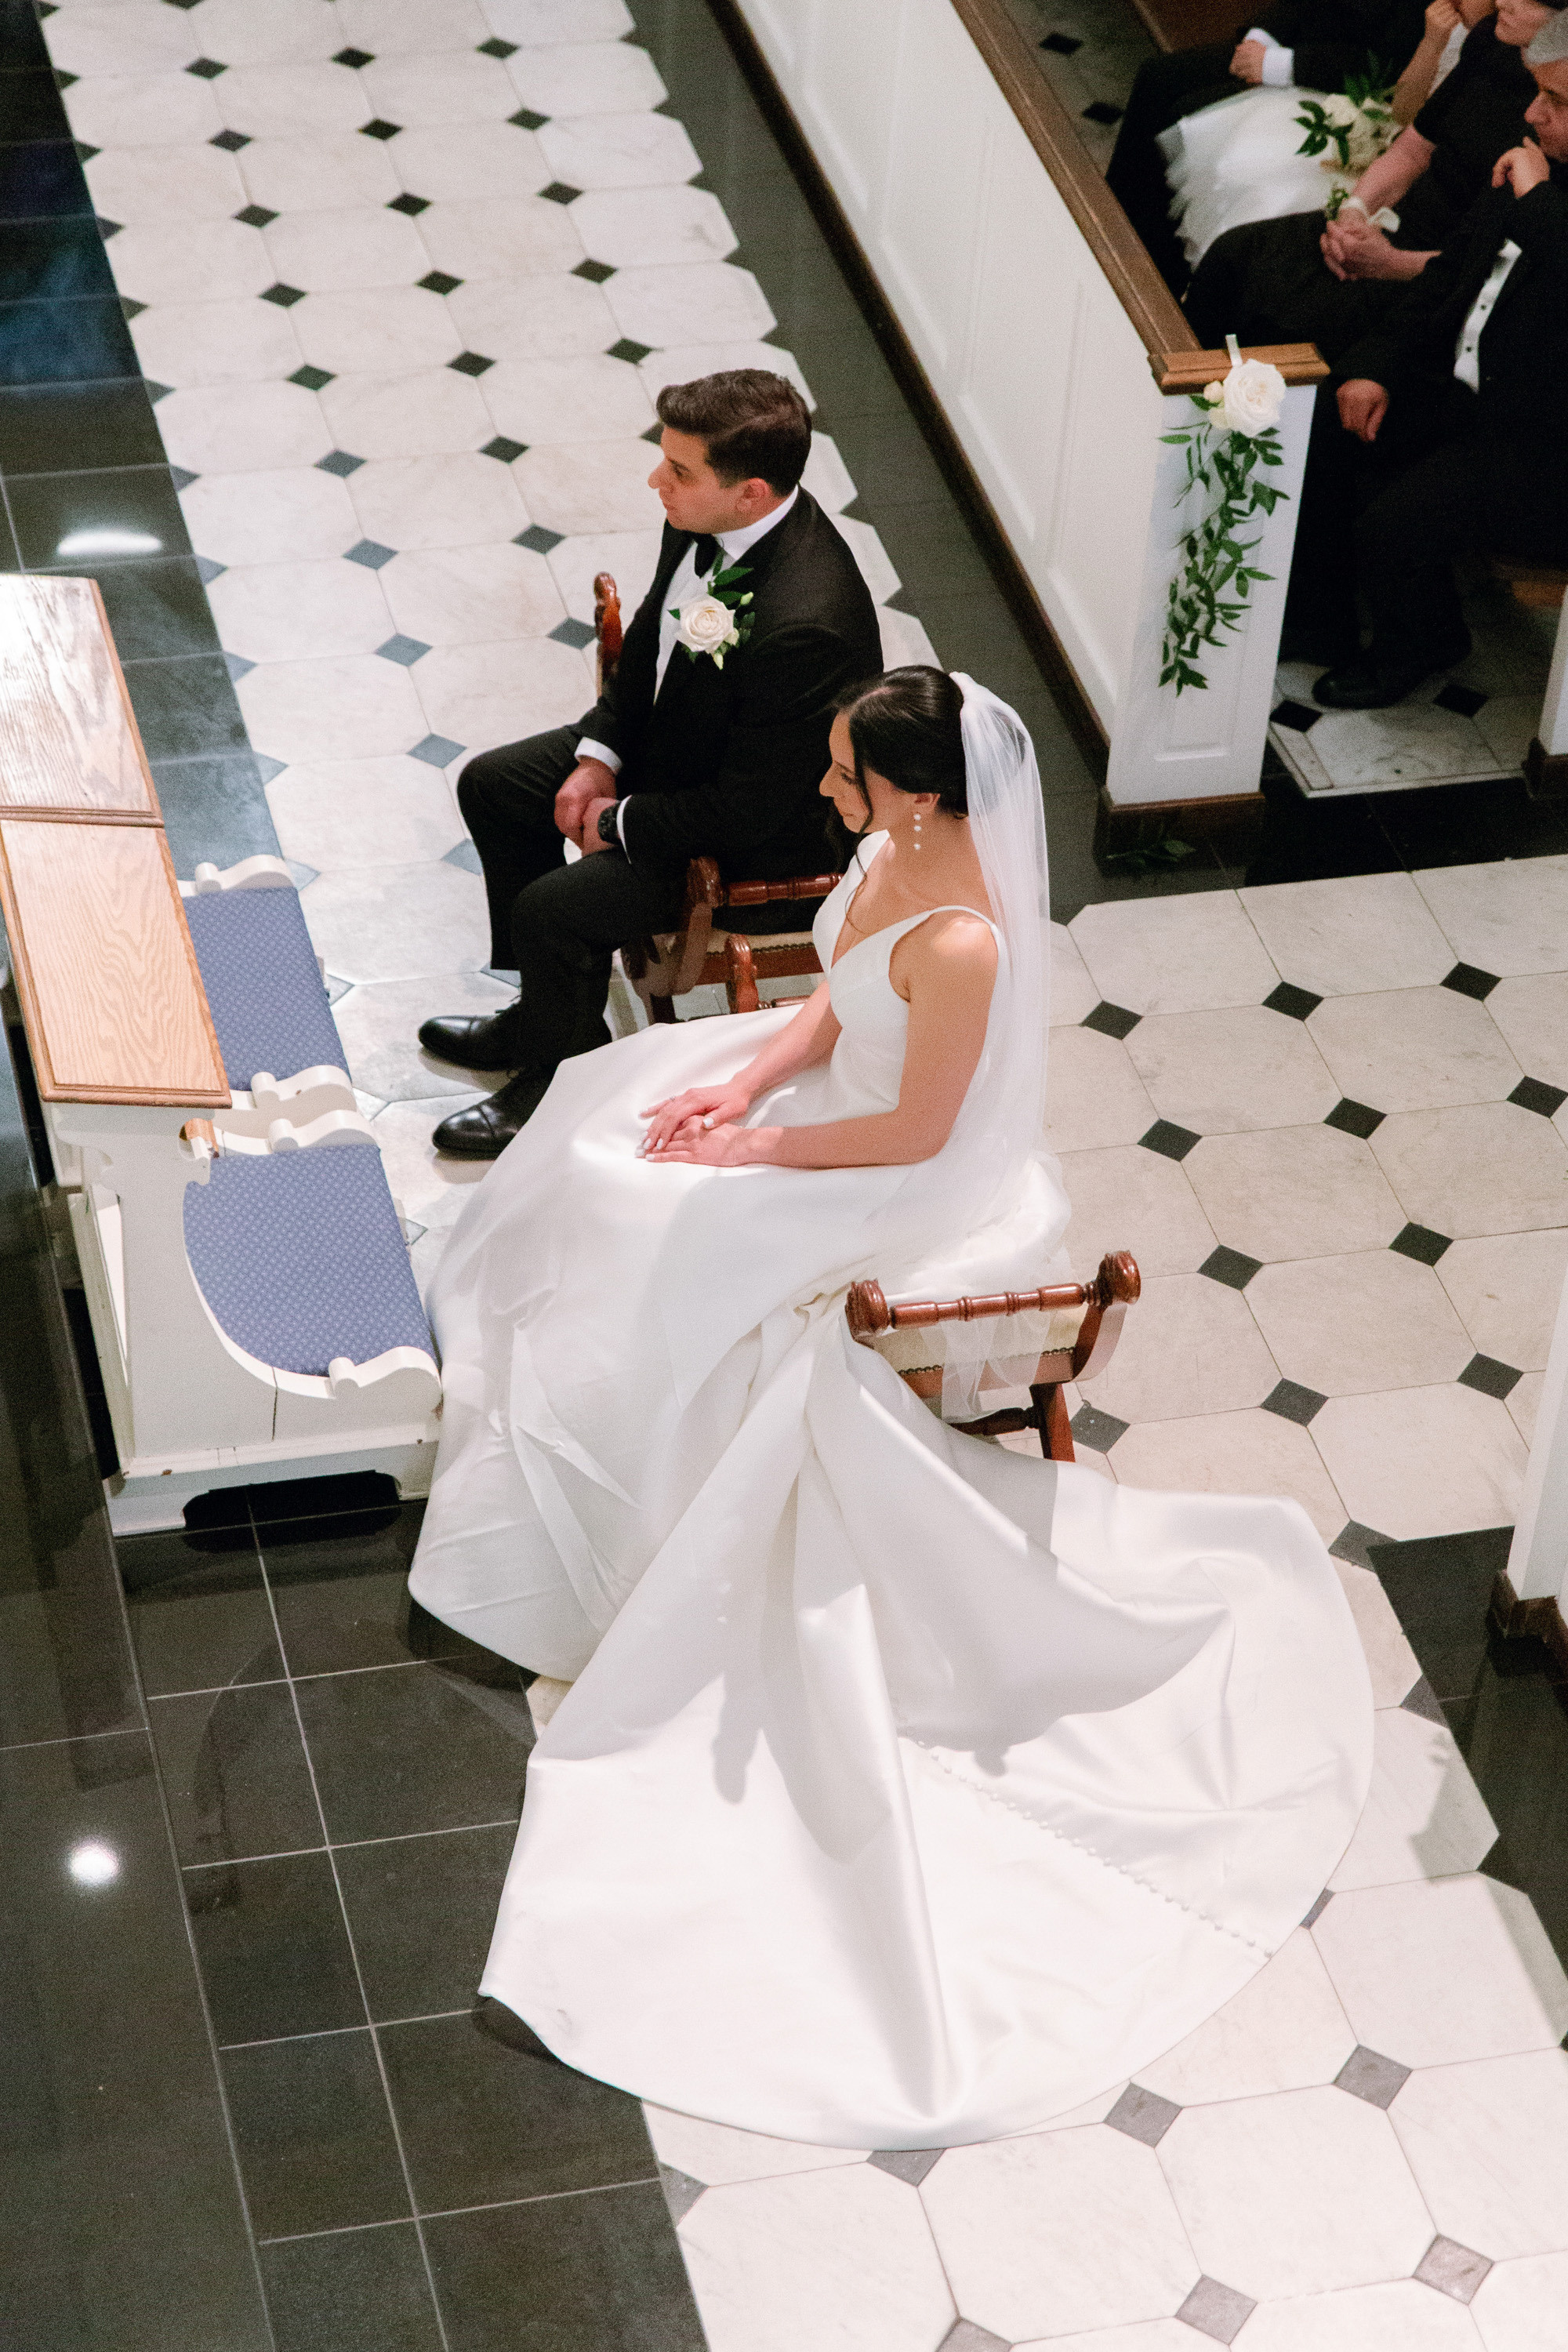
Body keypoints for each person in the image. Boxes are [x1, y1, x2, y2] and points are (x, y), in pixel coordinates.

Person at [406, 666, 1372, 2149]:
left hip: (888, 1184)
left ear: (919, 790)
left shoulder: (970, 937)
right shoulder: (886, 852)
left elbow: (917, 1128)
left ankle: (612, 1484)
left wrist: (747, 1164)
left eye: (850, 773)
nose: (829, 792)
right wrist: (744, 1083)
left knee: (661, 1242)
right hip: (814, 1110)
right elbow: (827, 1005)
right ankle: (562, 1417)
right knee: (613, 1136)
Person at [418, 368, 882, 1159]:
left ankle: (556, 1081)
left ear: (752, 493)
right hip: (676, 753)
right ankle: (543, 1015)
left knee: (555, 909)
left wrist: (616, 821)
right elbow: (652, 647)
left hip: (747, 839)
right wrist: (598, 756)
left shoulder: (809, 621)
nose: (654, 481)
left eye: (678, 470)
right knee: (494, 786)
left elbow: (748, 808)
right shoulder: (704, 517)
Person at [1284, 16, 1568, 703]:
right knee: (1326, 421)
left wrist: (1535, 202)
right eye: (1538, 93)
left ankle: (1420, 642)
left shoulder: (1536, 187)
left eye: (1556, 102)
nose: (1533, 113)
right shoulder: (1534, 168)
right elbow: (1448, 281)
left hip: (1543, 446)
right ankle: (1319, 619)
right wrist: (1375, 364)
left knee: (1395, 524)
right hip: (1468, 394)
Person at [1184, 0, 1552, 361]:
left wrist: (1390, 262)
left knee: (1288, 324)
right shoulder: (1492, 42)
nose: (1503, 1)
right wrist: (1354, 210)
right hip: (1395, 225)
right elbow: (1413, 149)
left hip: (1440, 274)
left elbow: (1498, 260)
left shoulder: (1556, 119)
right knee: (1235, 255)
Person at [1106, 0, 1428, 294]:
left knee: (1194, 118)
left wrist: (1278, 64)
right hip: (1298, 43)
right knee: (1158, 78)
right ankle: (1109, 225)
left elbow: (1391, 60)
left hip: (1346, 85)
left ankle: (1153, 276)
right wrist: (1261, 39)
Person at [1161, 0, 1487, 277]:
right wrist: (1432, 43)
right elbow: (1399, 107)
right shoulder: (1446, 21)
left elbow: (1403, 119)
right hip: (1390, 134)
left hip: (1412, 169)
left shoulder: (1495, 50)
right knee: (1245, 156)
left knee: (1272, 199)